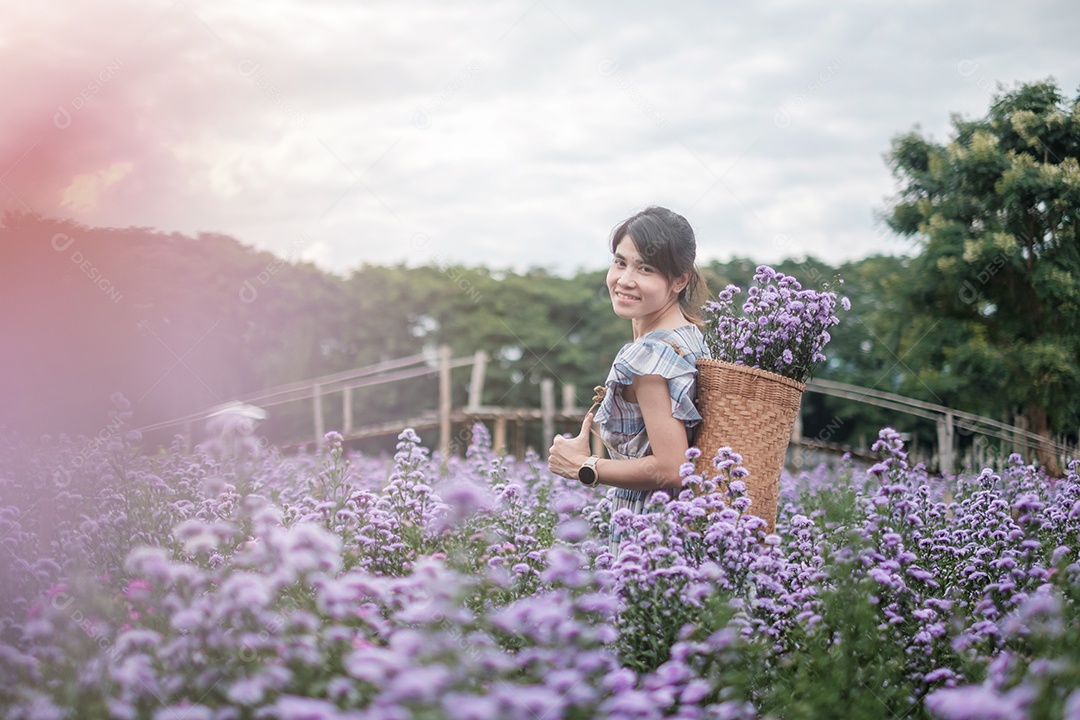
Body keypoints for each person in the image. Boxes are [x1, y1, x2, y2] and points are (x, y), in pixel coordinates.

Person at [548, 206, 710, 545]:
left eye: (646, 269)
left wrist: (584, 466)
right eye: (620, 262)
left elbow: (671, 467)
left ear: (680, 280)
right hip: (685, 529)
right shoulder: (690, 337)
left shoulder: (649, 355)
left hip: (652, 538)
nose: (625, 280)